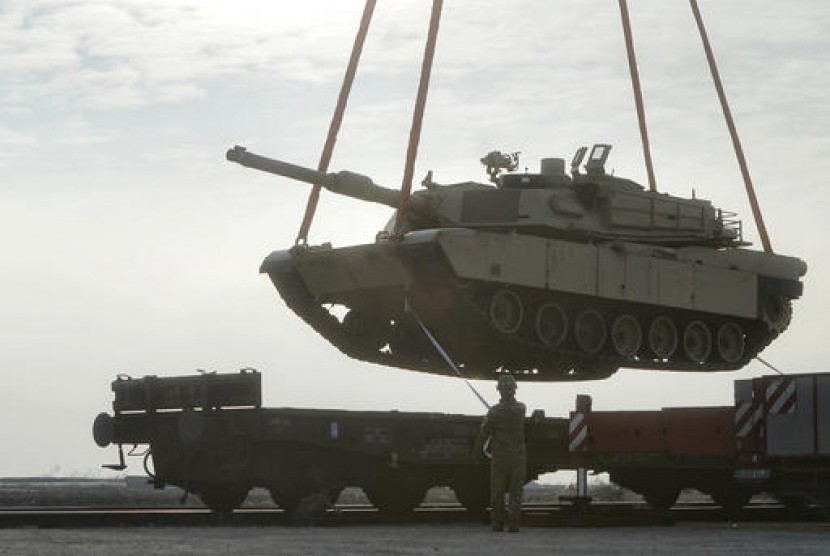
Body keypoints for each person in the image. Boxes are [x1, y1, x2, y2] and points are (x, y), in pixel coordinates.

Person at [475, 374, 527, 532]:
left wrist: (477, 451)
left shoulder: (494, 412)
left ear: (499, 391)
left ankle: (497, 523)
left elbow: (484, 433)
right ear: (514, 390)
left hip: (500, 455)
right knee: (515, 490)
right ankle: (513, 524)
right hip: (518, 455)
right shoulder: (521, 408)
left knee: (497, 490)